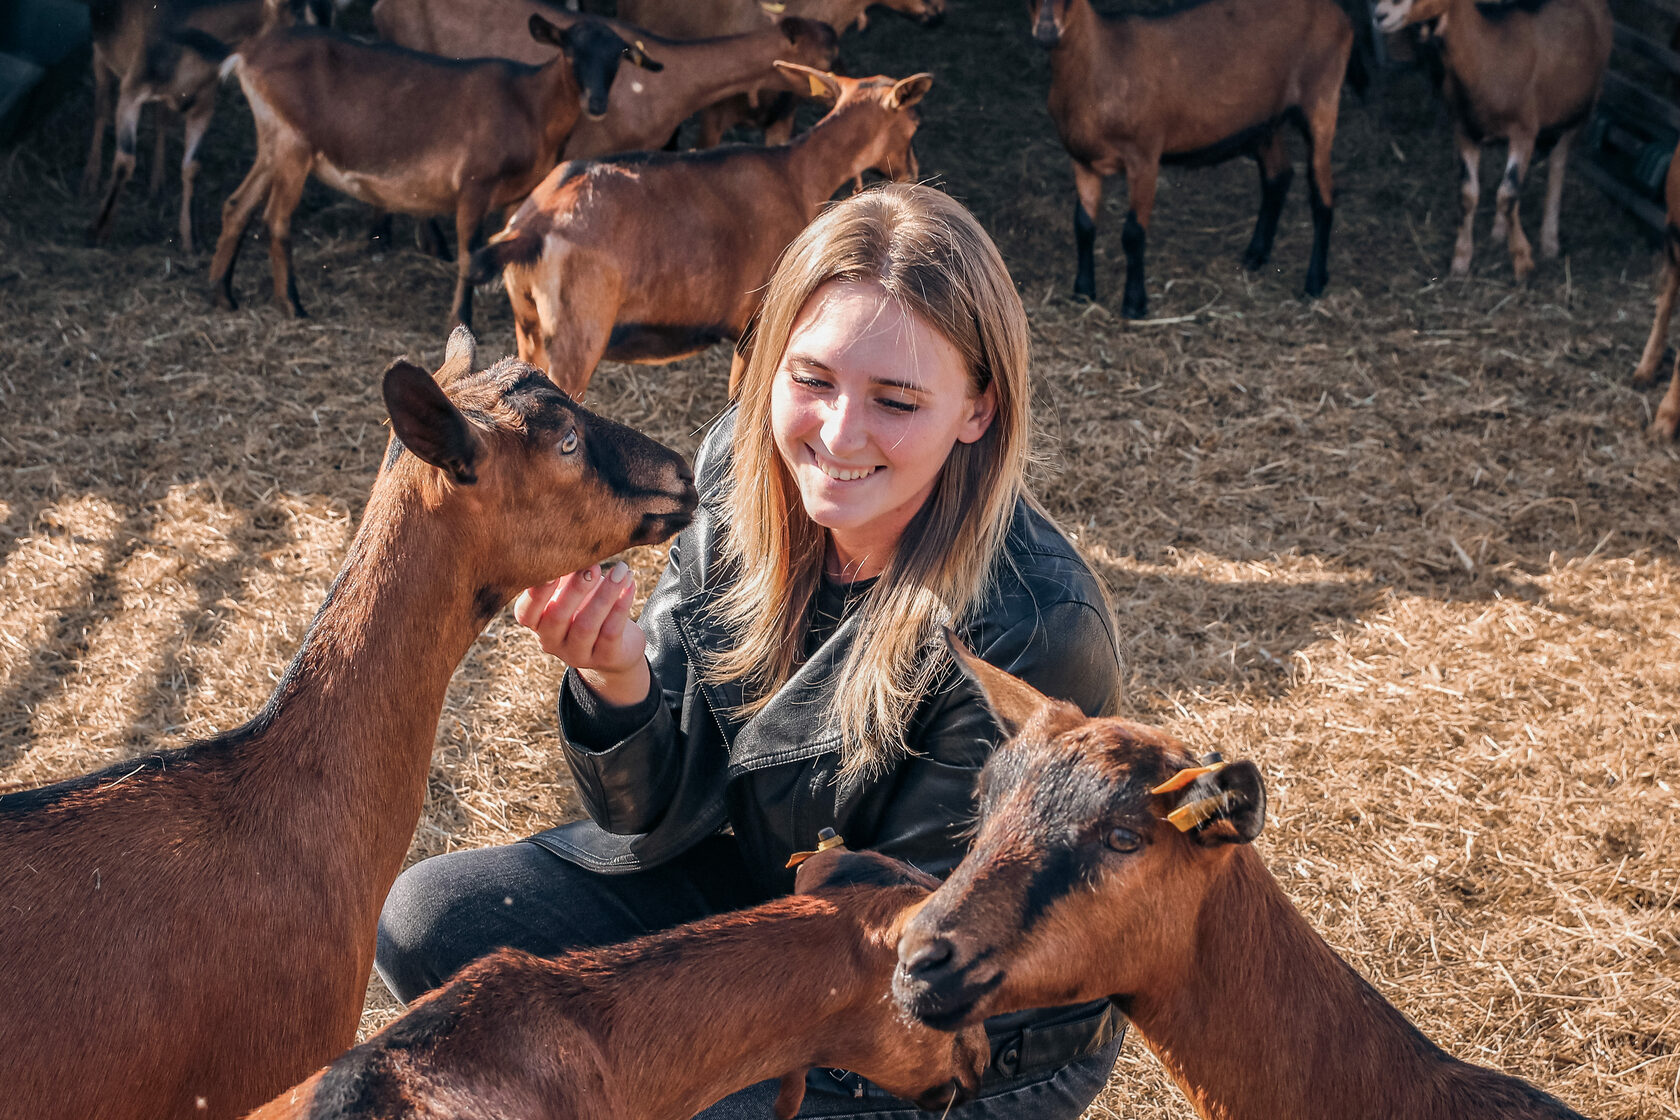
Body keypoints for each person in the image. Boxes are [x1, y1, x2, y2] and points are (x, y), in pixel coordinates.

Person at [376, 183, 1126, 1119]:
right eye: (811, 379)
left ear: (978, 409)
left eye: (896, 400)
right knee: (433, 920)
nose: (838, 435)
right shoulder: (738, 464)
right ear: (768, 363)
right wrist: (618, 681)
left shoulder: (1034, 628)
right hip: (761, 891)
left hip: (937, 1019)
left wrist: (653, 1036)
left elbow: (901, 965)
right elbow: (652, 811)